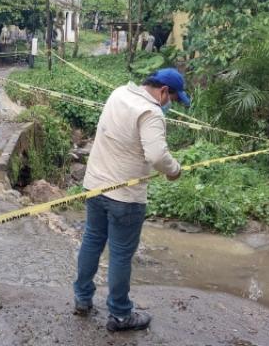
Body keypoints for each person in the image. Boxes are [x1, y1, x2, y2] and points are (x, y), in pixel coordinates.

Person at [73, 68, 189, 332]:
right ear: (163, 92)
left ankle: (82, 299)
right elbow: (157, 156)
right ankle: (121, 315)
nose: (172, 103)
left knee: (91, 241)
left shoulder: (119, 93)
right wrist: (175, 170)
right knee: (121, 255)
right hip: (124, 198)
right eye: (174, 98)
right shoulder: (151, 112)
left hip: (94, 186)